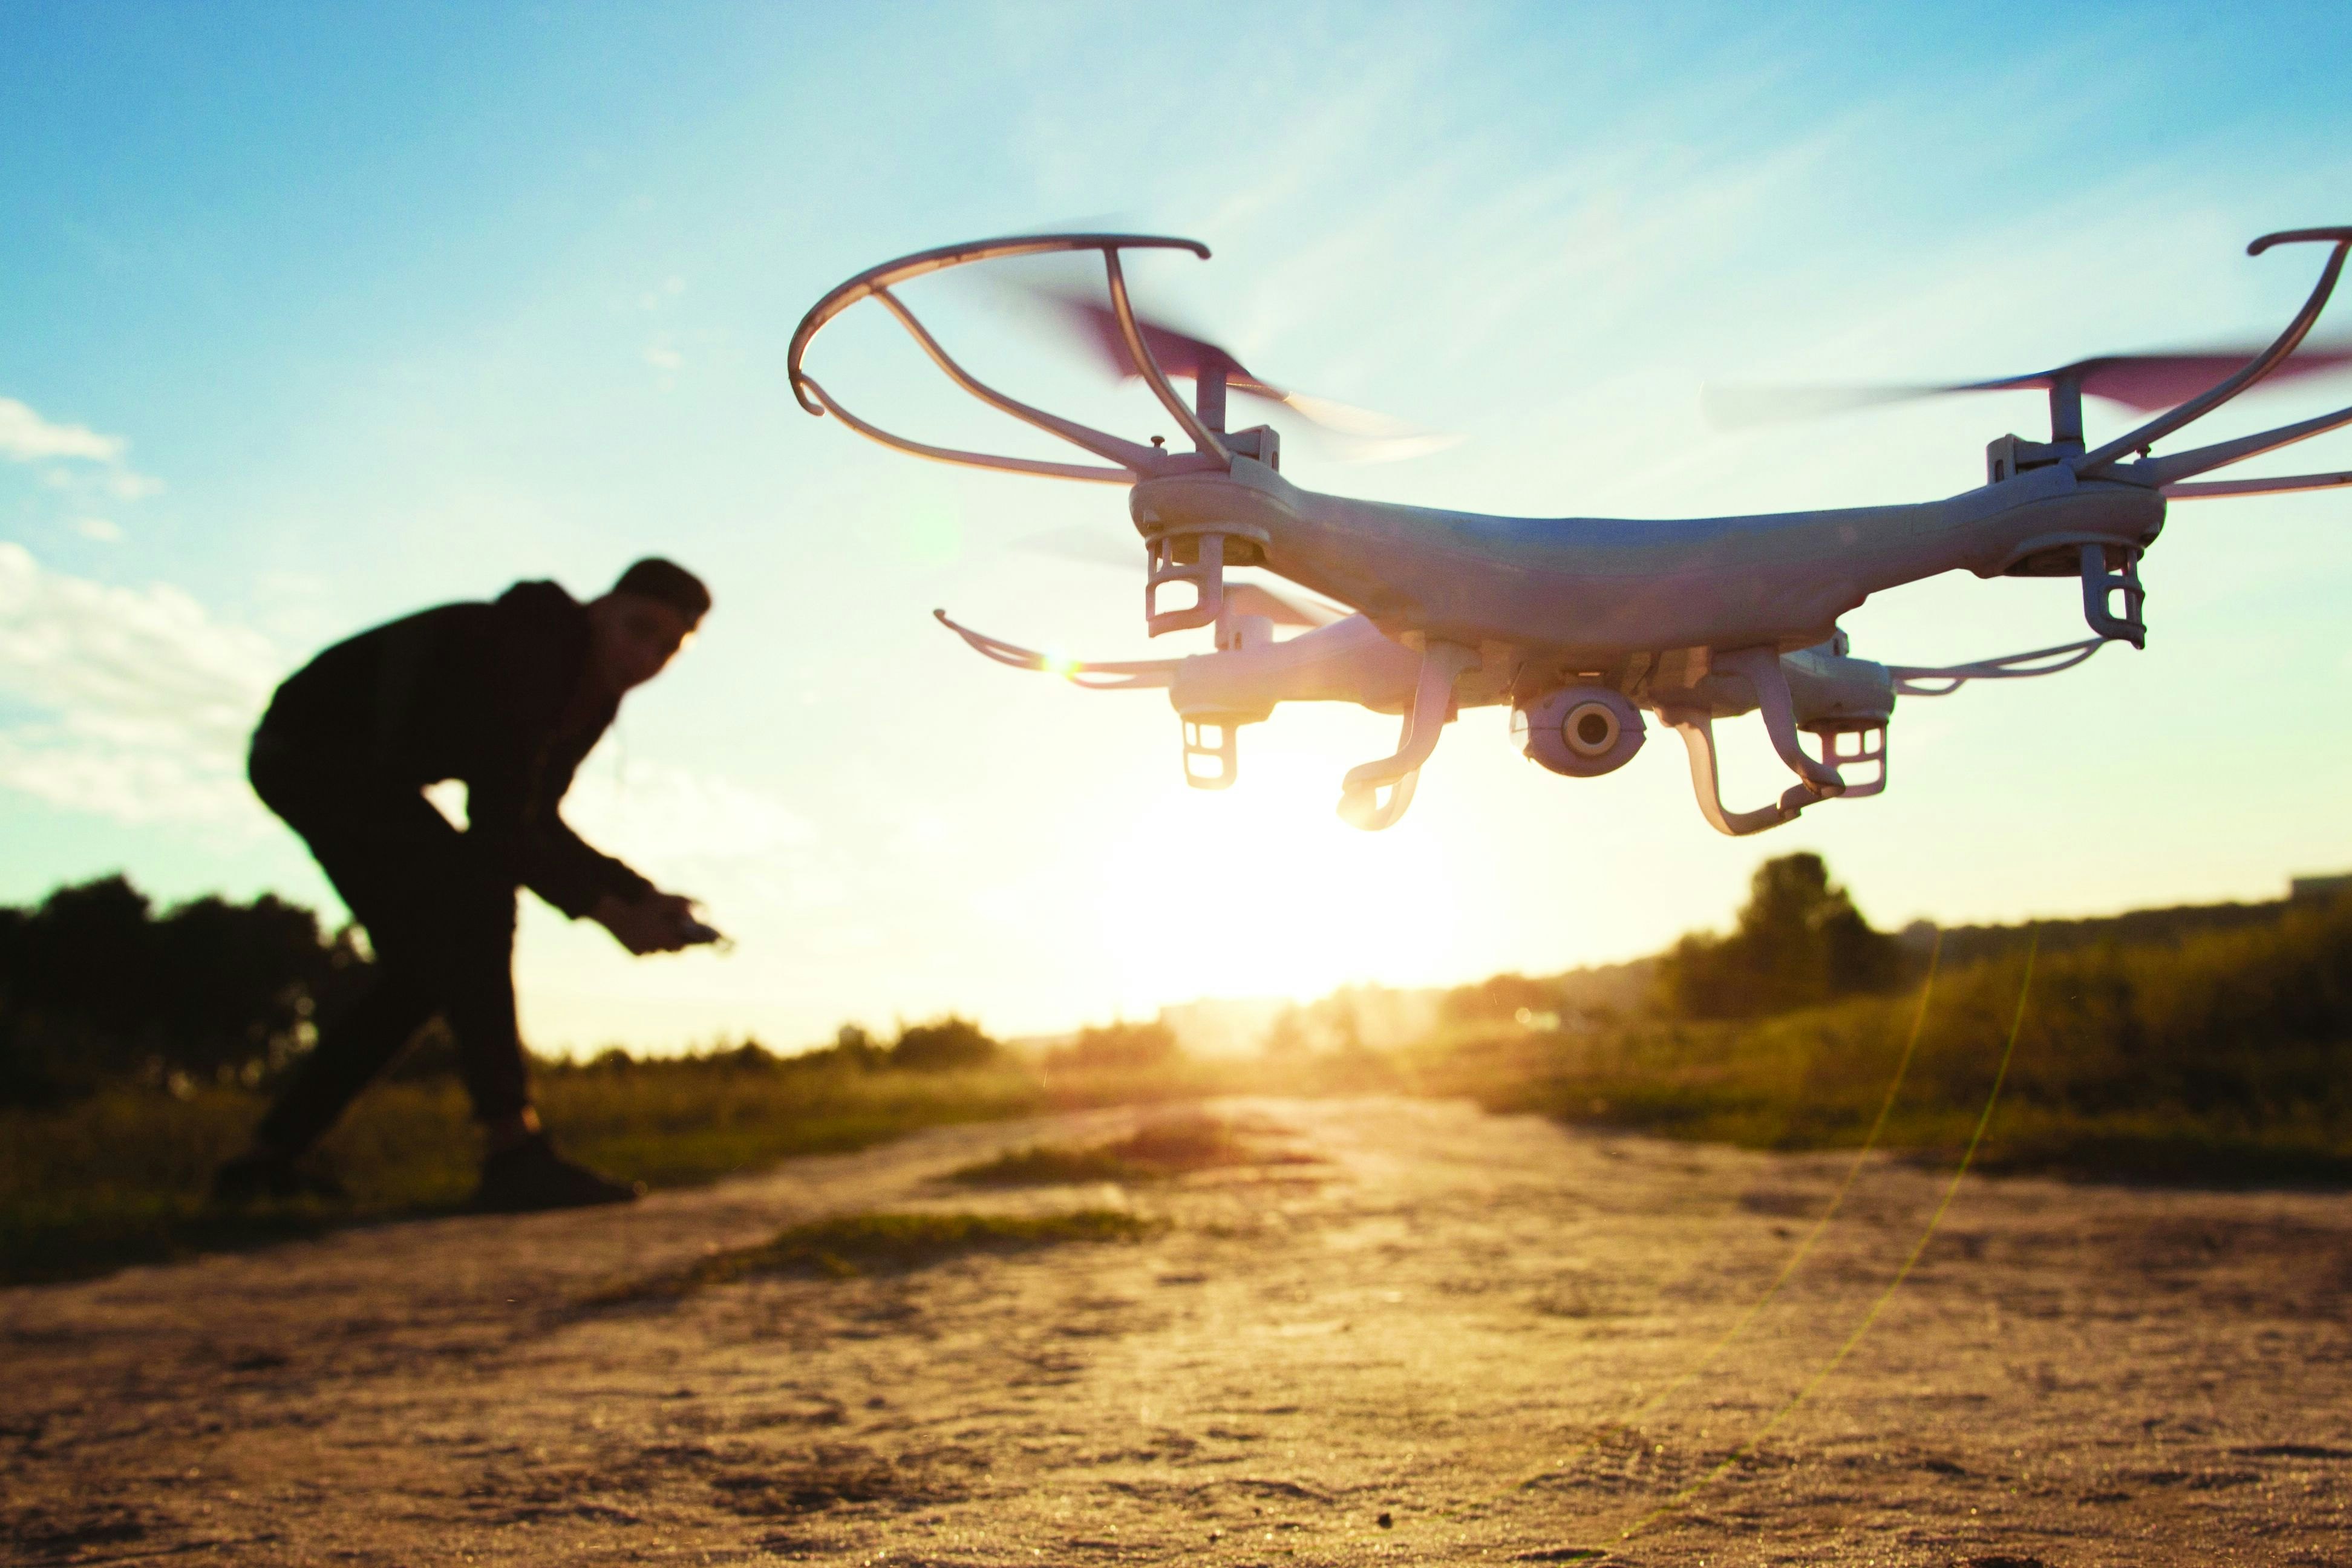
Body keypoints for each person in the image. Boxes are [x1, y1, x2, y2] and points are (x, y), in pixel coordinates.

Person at [214, 558, 714, 1212]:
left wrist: (639, 895)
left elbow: (536, 818)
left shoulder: (591, 691)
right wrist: (608, 912)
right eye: (638, 629)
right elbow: (501, 828)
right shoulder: (535, 648)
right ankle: (513, 1150)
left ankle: (265, 1161)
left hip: (372, 776)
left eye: (668, 649)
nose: (645, 656)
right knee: (478, 901)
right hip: (311, 751)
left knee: (424, 971)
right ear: (601, 607)